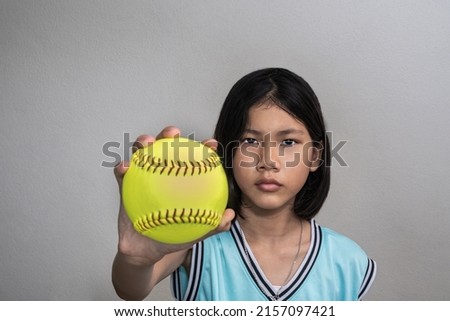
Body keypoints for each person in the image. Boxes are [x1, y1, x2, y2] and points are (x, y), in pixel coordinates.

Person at [112, 68, 376, 301]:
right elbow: (131, 289)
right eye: (250, 141)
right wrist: (134, 259)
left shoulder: (347, 261)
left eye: (287, 143)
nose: (268, 161)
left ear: (315, 156)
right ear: (227, 153)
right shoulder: (196, 242)